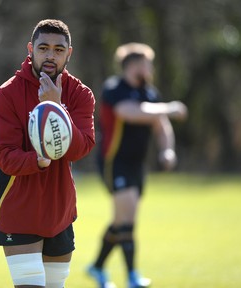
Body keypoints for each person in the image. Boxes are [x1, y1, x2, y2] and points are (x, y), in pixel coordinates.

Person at [0, 19, 95, 288]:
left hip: (59, 209)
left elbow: (83, 146)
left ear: (69, 53)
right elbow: (5, 156)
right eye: (43, 48)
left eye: (59, 50)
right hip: (18, 206)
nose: (50, 56)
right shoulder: (7, 94)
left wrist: (56, 106)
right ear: (30, 49)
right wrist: (38, 159)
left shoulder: (81, 94)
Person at [87, 43, 188, 288]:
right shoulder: (114, 88)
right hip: (114, 160)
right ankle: (132, 276)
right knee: (128, 216)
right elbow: (129, 112)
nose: (150, 68)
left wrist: (167, 150)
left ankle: (97, 267)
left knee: (122, 220)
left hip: (137, 164)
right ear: (133, 65)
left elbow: (160, 125)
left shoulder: (150, 93)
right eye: (147, 63)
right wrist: (171, 108)